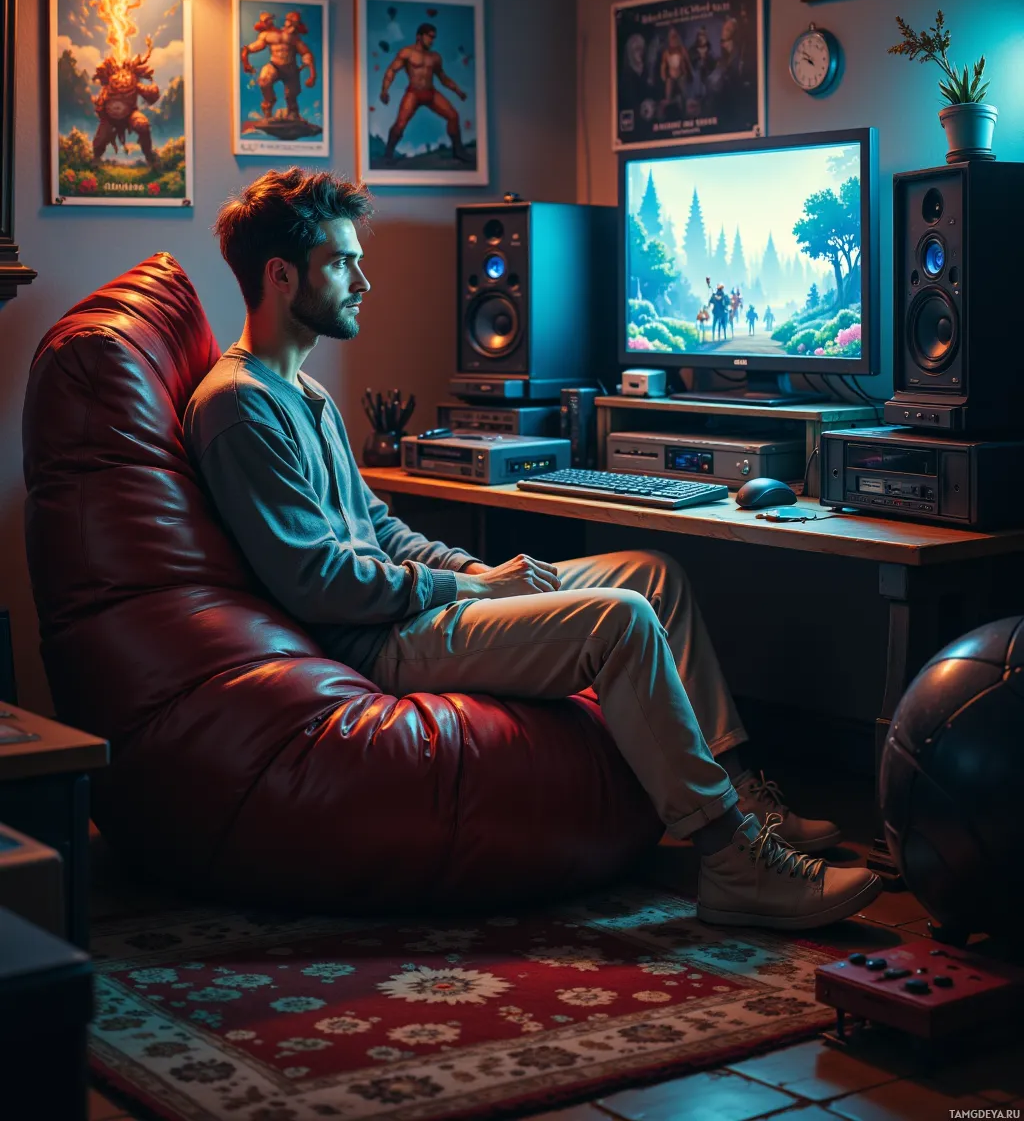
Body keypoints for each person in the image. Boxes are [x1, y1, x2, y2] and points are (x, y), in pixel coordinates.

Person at [184, 169, 882, 932]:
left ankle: (744, 800)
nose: (364, 279)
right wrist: (469, 593)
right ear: (282, 275)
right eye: (343, 262)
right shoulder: (239, 406)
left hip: (406, 607)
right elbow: (319, 582)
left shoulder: (304, 391)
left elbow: (382, 532)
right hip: (375, 639)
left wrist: (480, 573)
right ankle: (731, 860)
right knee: (618, 619)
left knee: (652, 576)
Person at [380, 23, 468, 164]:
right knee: (400, 123)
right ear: (419, 37)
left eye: (434, 37)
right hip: (414, 93)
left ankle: (458, 151)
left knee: (453, 116)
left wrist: (458, 91)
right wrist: (384, 90)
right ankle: (388, 154)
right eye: (429, 37)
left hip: (430, 92)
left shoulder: (434, 57)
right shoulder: (407, 53)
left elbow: (443, 78)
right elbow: (391, 71)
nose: (432, 40)